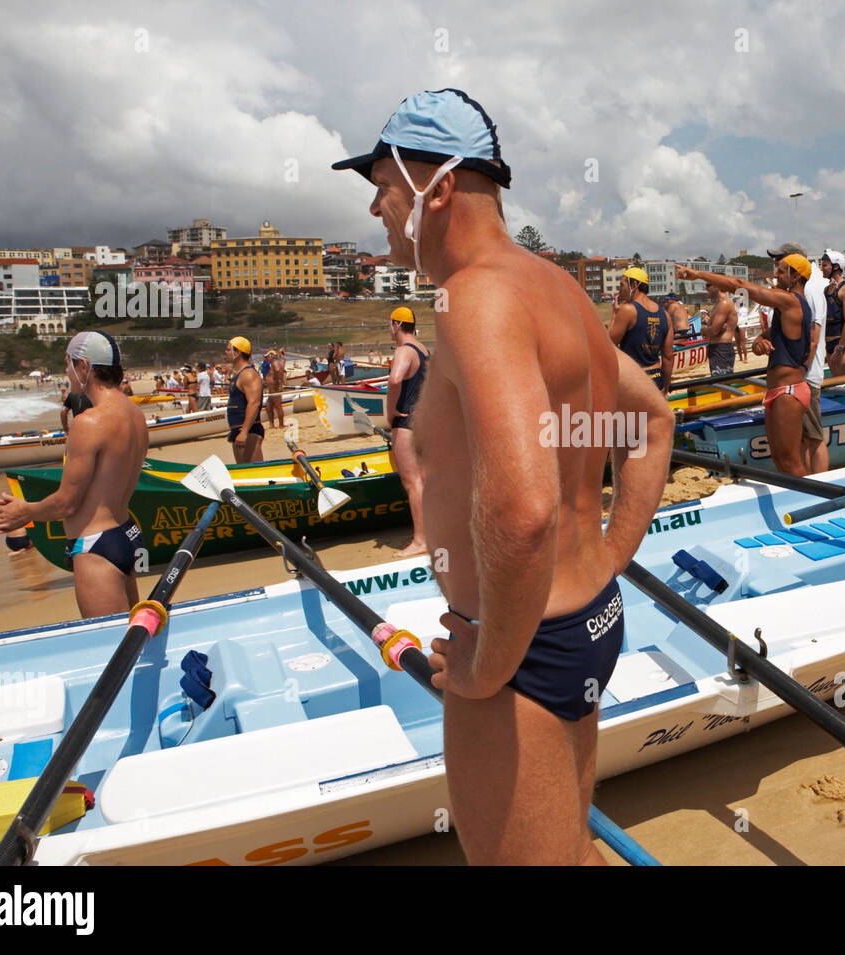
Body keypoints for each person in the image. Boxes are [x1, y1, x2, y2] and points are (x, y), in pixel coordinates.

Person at [331, 87, 673, 864]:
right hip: (588, 617)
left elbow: (521, 510)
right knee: (571, 847)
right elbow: (651, 420)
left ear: (439, 186)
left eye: (384, 184)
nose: (377, 207)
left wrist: (486, 666)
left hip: (518, 643)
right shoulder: (557, 290)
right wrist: (610, 557)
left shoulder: (474, 297)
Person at [0, 331, 148, 618]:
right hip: (126, 533)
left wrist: (25, 512)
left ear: (84, 366)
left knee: (109, 650)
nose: (67, 373)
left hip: (97, 546)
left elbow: (67, 503)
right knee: (133, 643)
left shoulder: (89, 422)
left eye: (68, 364)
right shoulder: (135, 415)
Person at [679, 252, 823, 474]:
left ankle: (811, 503)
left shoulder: (790, 302)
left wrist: (696, 274)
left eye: (782, 271)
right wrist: (759, 343)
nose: (776, 274)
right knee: (780, 459)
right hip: (778, 390)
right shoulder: (791, 307)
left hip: (788, 391)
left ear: (795, 277)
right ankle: (799, 499)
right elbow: (766, 337)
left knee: (790, 461)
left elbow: (739, 284)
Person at [384, 306, 430, 557]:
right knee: (424, 480)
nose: (390, 329)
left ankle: (421, 541)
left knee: (412, 482)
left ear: (397, 325)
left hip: (407, 423)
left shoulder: (404, 350)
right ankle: (430, 535)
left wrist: (391, 412)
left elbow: (394, 380)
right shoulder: (423, 349)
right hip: (424, 420)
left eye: (390, 324)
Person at [608, 266, 674, 392]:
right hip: (656, 378)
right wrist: (665, 388)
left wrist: (615, 313)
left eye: (622, 285)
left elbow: (608, 344)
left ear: (634, 285)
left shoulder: (628, 310)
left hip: (635, 378)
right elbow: (668, 358)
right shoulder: (665, 315)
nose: (620, 290)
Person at [225, 335, 265, 463]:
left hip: (249, 431)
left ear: (237, 352)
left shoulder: (248, 374)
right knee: (244, 473)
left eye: (228, 349)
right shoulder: (240, 373)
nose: (225, 353)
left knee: (255, 475)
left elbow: (254, 403)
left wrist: (244, 431)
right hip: (240, 430)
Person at [700, 283, 738, 376]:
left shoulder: (724, 304)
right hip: (719, 348)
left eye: (708, 285)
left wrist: (703, 330)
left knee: (721, 382)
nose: (706, 288)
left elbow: (713, 331)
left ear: (716, 285)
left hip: (721, 349)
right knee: (720, 382)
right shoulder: (719, 305)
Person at [265, 350, 286, 428]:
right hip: (274, 387)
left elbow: (277, 370)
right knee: (268, 406)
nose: (266, 358)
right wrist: (280, 352)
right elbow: (283, 360)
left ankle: (281, 424)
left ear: (271, 356)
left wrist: (276, 379)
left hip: (275, 387)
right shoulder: (278, 362)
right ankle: (272, 424)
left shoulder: (275, 363)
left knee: (278, 406)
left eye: (267, 357)